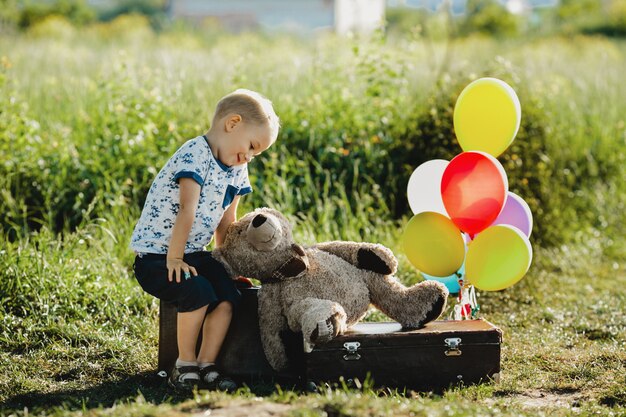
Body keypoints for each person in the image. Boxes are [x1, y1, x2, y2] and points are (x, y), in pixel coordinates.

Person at [130, 89, 280, 391]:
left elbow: (227, 220)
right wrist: (174, 258)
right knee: (196, 290)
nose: (249, 156)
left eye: (256, 154)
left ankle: (207, 364)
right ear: (232, 123)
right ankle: (184, 364)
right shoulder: (195, 154)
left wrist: (228, 262)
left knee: (228, 295)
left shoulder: (238, 167)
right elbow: (187, 210)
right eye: (251, 146)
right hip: (158, 256)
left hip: (193, 253)